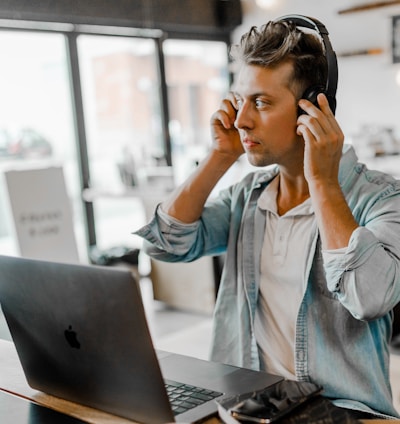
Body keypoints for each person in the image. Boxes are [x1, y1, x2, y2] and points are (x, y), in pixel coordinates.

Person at [135, 16, 400, 419]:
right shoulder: (248, 196)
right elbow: (163, 245)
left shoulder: (381, 197)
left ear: (314, 106)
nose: (241, 119)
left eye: (260, 102)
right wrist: (220, 156)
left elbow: (371, 297)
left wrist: (323, 183)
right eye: (239, 100)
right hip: (246, 408)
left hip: (340, 415)